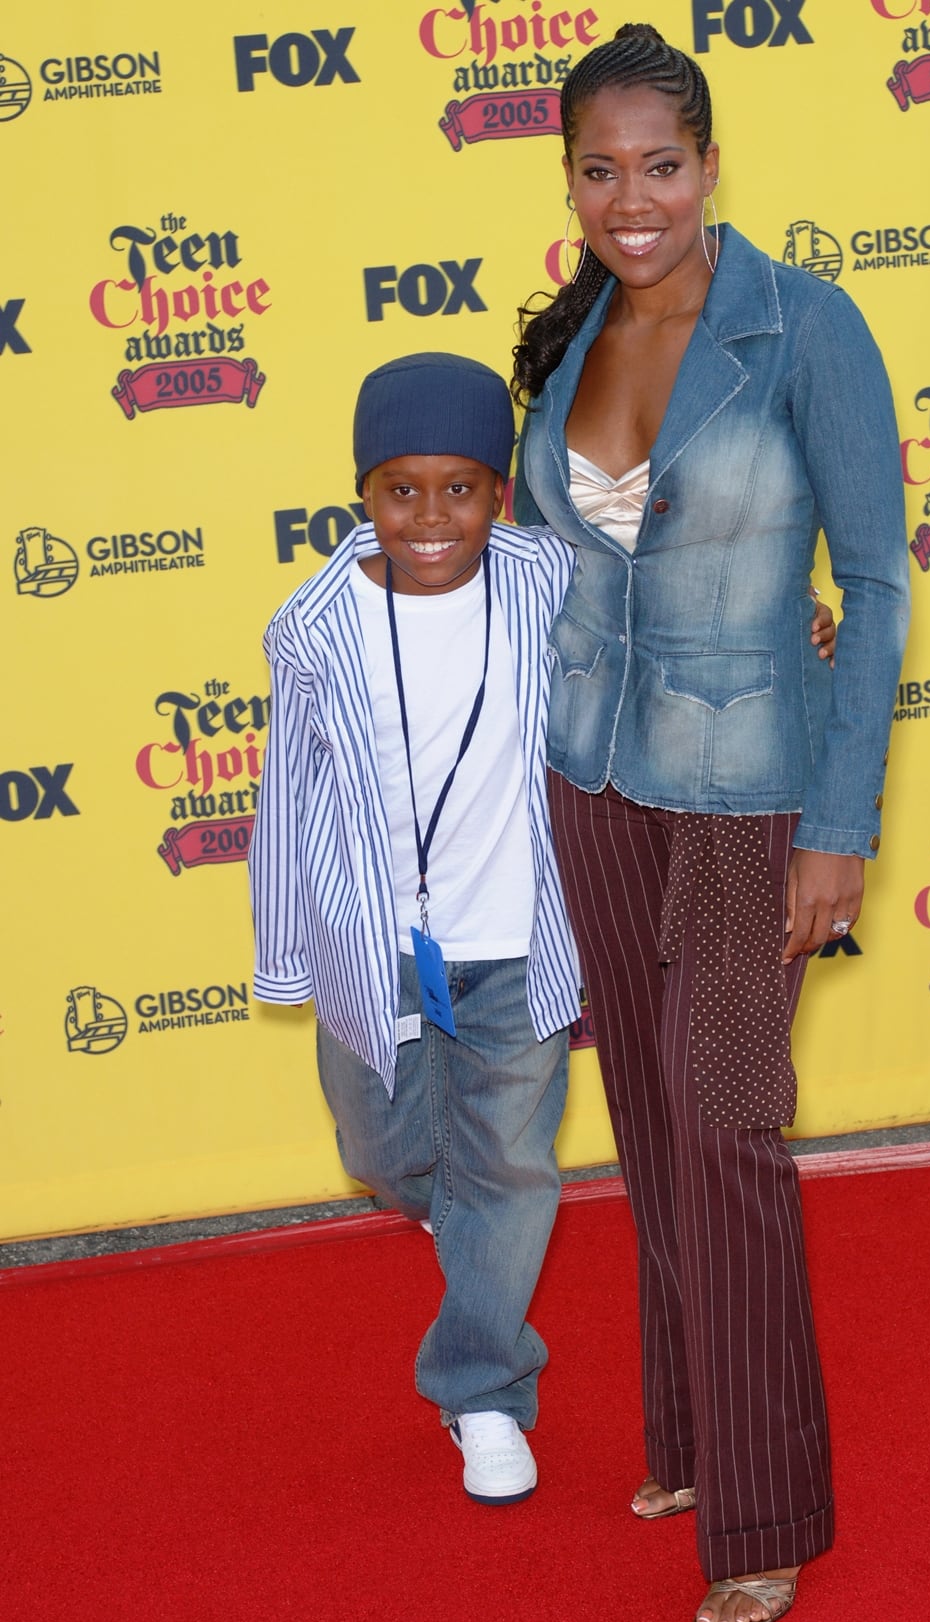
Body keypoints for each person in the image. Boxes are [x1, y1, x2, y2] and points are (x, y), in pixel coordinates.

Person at [511, 23, 910, 1622]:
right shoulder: (576, 329)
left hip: (752, 798)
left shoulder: (805, 326)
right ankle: (686, 1433)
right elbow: (547, 562)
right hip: (592, 782)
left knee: (730, 1124)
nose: (633, 198)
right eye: (600, 171)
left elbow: (874, 585)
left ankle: (764, 1506)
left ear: (711, 161)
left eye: (659, 165)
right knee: (651, 1118)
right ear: (572, 181)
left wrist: (841, 819)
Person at [248, 352, 582, 1507]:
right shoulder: (315, 626)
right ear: (363, 495)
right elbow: (288, 797)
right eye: (402, 490)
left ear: (500, 490)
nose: (431, 518)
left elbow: (681, 619)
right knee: (383, 1150)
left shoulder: (555, 580)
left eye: (460, 489)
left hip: (521, 942)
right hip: (374, 946)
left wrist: (799, 623)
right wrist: (287, 953)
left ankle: (483, 1386)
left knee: (511, 1164)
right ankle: (471, 1220)